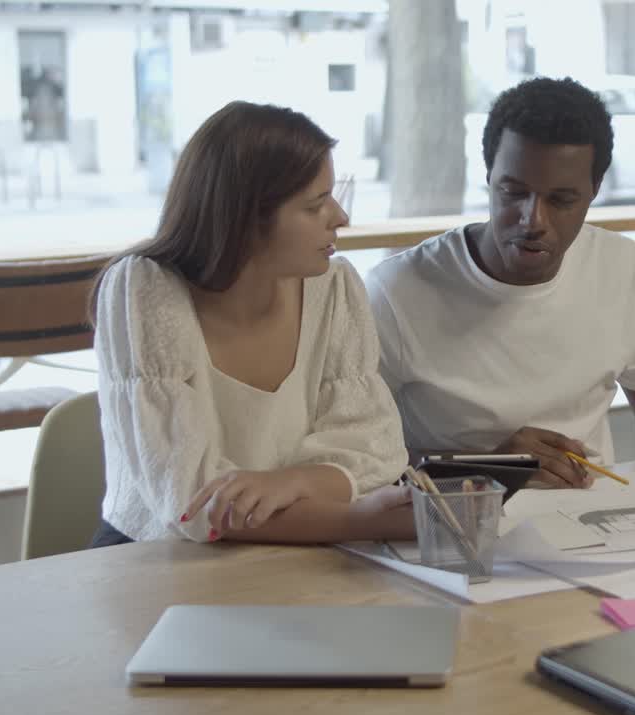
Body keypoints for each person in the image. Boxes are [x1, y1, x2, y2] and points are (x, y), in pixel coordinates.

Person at [366, 77, 635, 499]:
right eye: (514, 192)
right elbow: (363, 468)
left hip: (589, 517)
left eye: (561, 200)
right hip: (457, 524)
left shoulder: (619, 267)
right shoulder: (397, 292)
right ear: (489, 177)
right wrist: (493, 467)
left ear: (594, 192)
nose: (533, 219)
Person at [90, 101, 412, 547]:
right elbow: (196, 506)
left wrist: (293, 482)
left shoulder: (334, 287)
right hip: (157, 560)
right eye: (316, 204)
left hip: (303, 553)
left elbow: (377, 450)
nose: (340, 217)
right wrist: (359, 519)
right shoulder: (143, 290)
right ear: (245, 219)